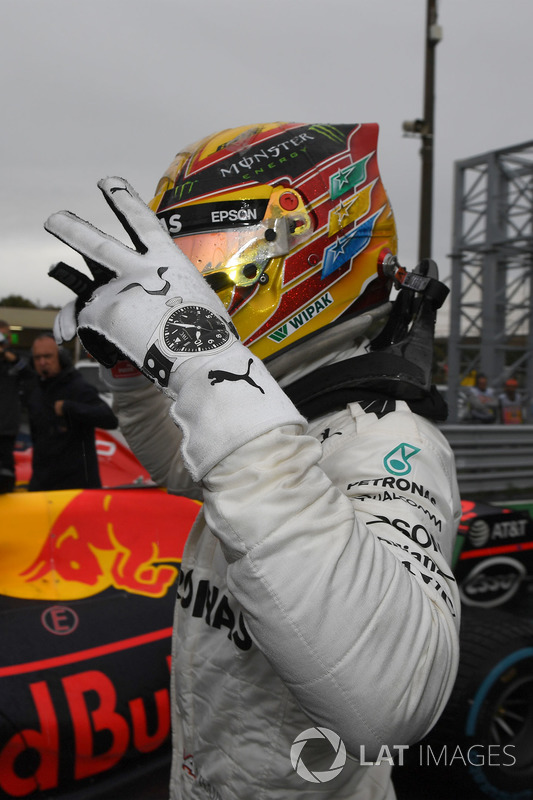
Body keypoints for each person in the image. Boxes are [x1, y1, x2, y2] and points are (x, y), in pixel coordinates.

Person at [45, 123, 461, 800]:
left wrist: (208, 362)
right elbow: (184, 467)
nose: (192, 274)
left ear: (318, 242)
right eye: (181, 253)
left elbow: (393, 702)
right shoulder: (282, 408)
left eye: (210, 247)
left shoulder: (388, 443)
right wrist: (127, 369)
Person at [23, 333, 118, 491]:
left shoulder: (77, 387)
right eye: (37, 357)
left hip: (76, 488)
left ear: (61, 358)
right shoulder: (35, 391)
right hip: (42, 484)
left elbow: (109, 419)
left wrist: (69, 408)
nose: (42, 362)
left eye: (47, 356)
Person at [0, 320, 31, 492]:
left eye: (6, 335)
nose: (4, 340)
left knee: (7, 468)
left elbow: (30, 374)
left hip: (8, 425)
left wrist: (11, 358)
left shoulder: (16, 358)